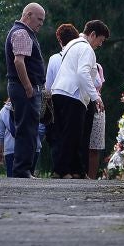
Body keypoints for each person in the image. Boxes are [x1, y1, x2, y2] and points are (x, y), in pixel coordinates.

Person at [49, 20, 110, 179]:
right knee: (72, 135)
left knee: (67, 134)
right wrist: (95, 97)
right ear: (93, 34)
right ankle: (62, 171)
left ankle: (77, 170)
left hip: (60, 91)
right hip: (73, 95)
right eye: (100, 40)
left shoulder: (72, 45)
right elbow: (83, 73)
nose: (100, 44)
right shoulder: (86, 48)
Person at [4, 3, 47, 178]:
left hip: (21, 87)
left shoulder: (22, 32)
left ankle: (24, 170)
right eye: (39, 19)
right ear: (28, 15)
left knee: (29, 128)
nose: (41, 24)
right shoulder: (22, 32)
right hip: (24, 88)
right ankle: (22, 170)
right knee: (27, 129)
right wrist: (28, 86)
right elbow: (19, 61)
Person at [44, 23, 80, 174]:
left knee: (57, 135)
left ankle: (59, 169)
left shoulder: (54, 59)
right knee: (73, 134)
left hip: (57, 99)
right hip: (76, 99)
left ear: (60, 40)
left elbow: (48, 85)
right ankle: (74, 169)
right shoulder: (79, 56)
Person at [0, 99, 45, 177]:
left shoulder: (4, 111)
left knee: (13, 180)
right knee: (30, 180)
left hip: (11, 150)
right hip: (32, 148)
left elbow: (0, 133)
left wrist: (0, 151)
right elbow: (41, 127)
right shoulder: (33, 106)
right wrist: (37, 139)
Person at [86, 63, 106, 179]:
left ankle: (92, 178)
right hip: (83, 104)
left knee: (95, 146)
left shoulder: (98, 67)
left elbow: (99, 88)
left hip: (97, 107)